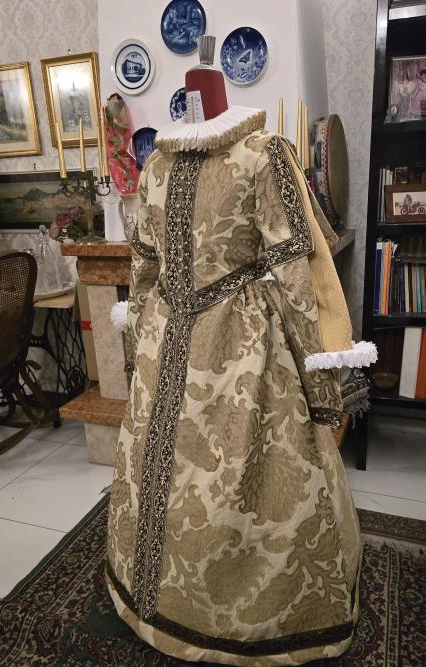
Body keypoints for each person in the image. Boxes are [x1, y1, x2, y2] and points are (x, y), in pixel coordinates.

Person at [106, 38, 376, 667]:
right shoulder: (262, 154)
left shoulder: (155, 167)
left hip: (169, 340)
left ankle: (155, 599)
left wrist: (139, 350)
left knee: (174, 473)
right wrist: (322, 384)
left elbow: (142, 277)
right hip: (241, 345)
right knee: (245, 477)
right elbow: (299, 274)